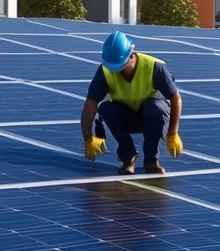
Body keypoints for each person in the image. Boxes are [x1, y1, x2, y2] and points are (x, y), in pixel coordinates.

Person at [79, 30, 184, 175]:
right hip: (126, 117)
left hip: (152, 118)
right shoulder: (106, 70)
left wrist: (173, 133)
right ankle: (128, 157)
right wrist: (88, 138)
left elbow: (175, 98)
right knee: (106, 108)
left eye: (119, 65)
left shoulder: (154, 66)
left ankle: (151, 160)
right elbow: (91, 104)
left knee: (156, 107)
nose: (115, 70)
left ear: (131, 55)